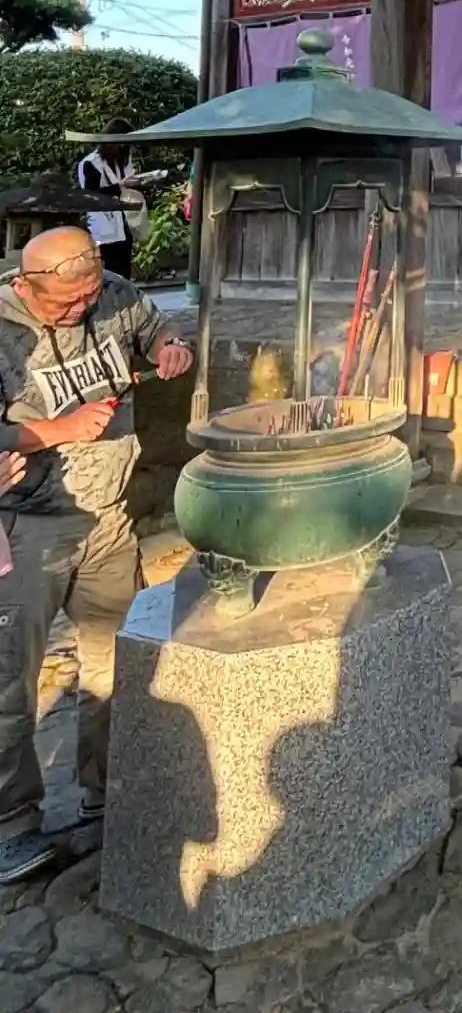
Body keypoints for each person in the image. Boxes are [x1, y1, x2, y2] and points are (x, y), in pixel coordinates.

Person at [0, 227, 193, 883]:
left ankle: (105, 792)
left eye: (88, 295)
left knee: (115, 666)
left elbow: (153, 326)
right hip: (27, 527)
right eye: (65, 303)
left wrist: (169, 347)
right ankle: (12, 826)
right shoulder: (4, 329)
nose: (81, 308)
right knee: (10, 681)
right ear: (26, 284)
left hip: (109, 517)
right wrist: (55, 430)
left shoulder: (113, 292)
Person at [76, 120, 137, 279]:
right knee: (110, 273)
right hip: (104, 228)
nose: (124, 148)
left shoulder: (120, 161)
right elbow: (91, 195)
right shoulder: (92, 163)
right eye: (122, 144)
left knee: (124, 272)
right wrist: (119, 186)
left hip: (124, 225)